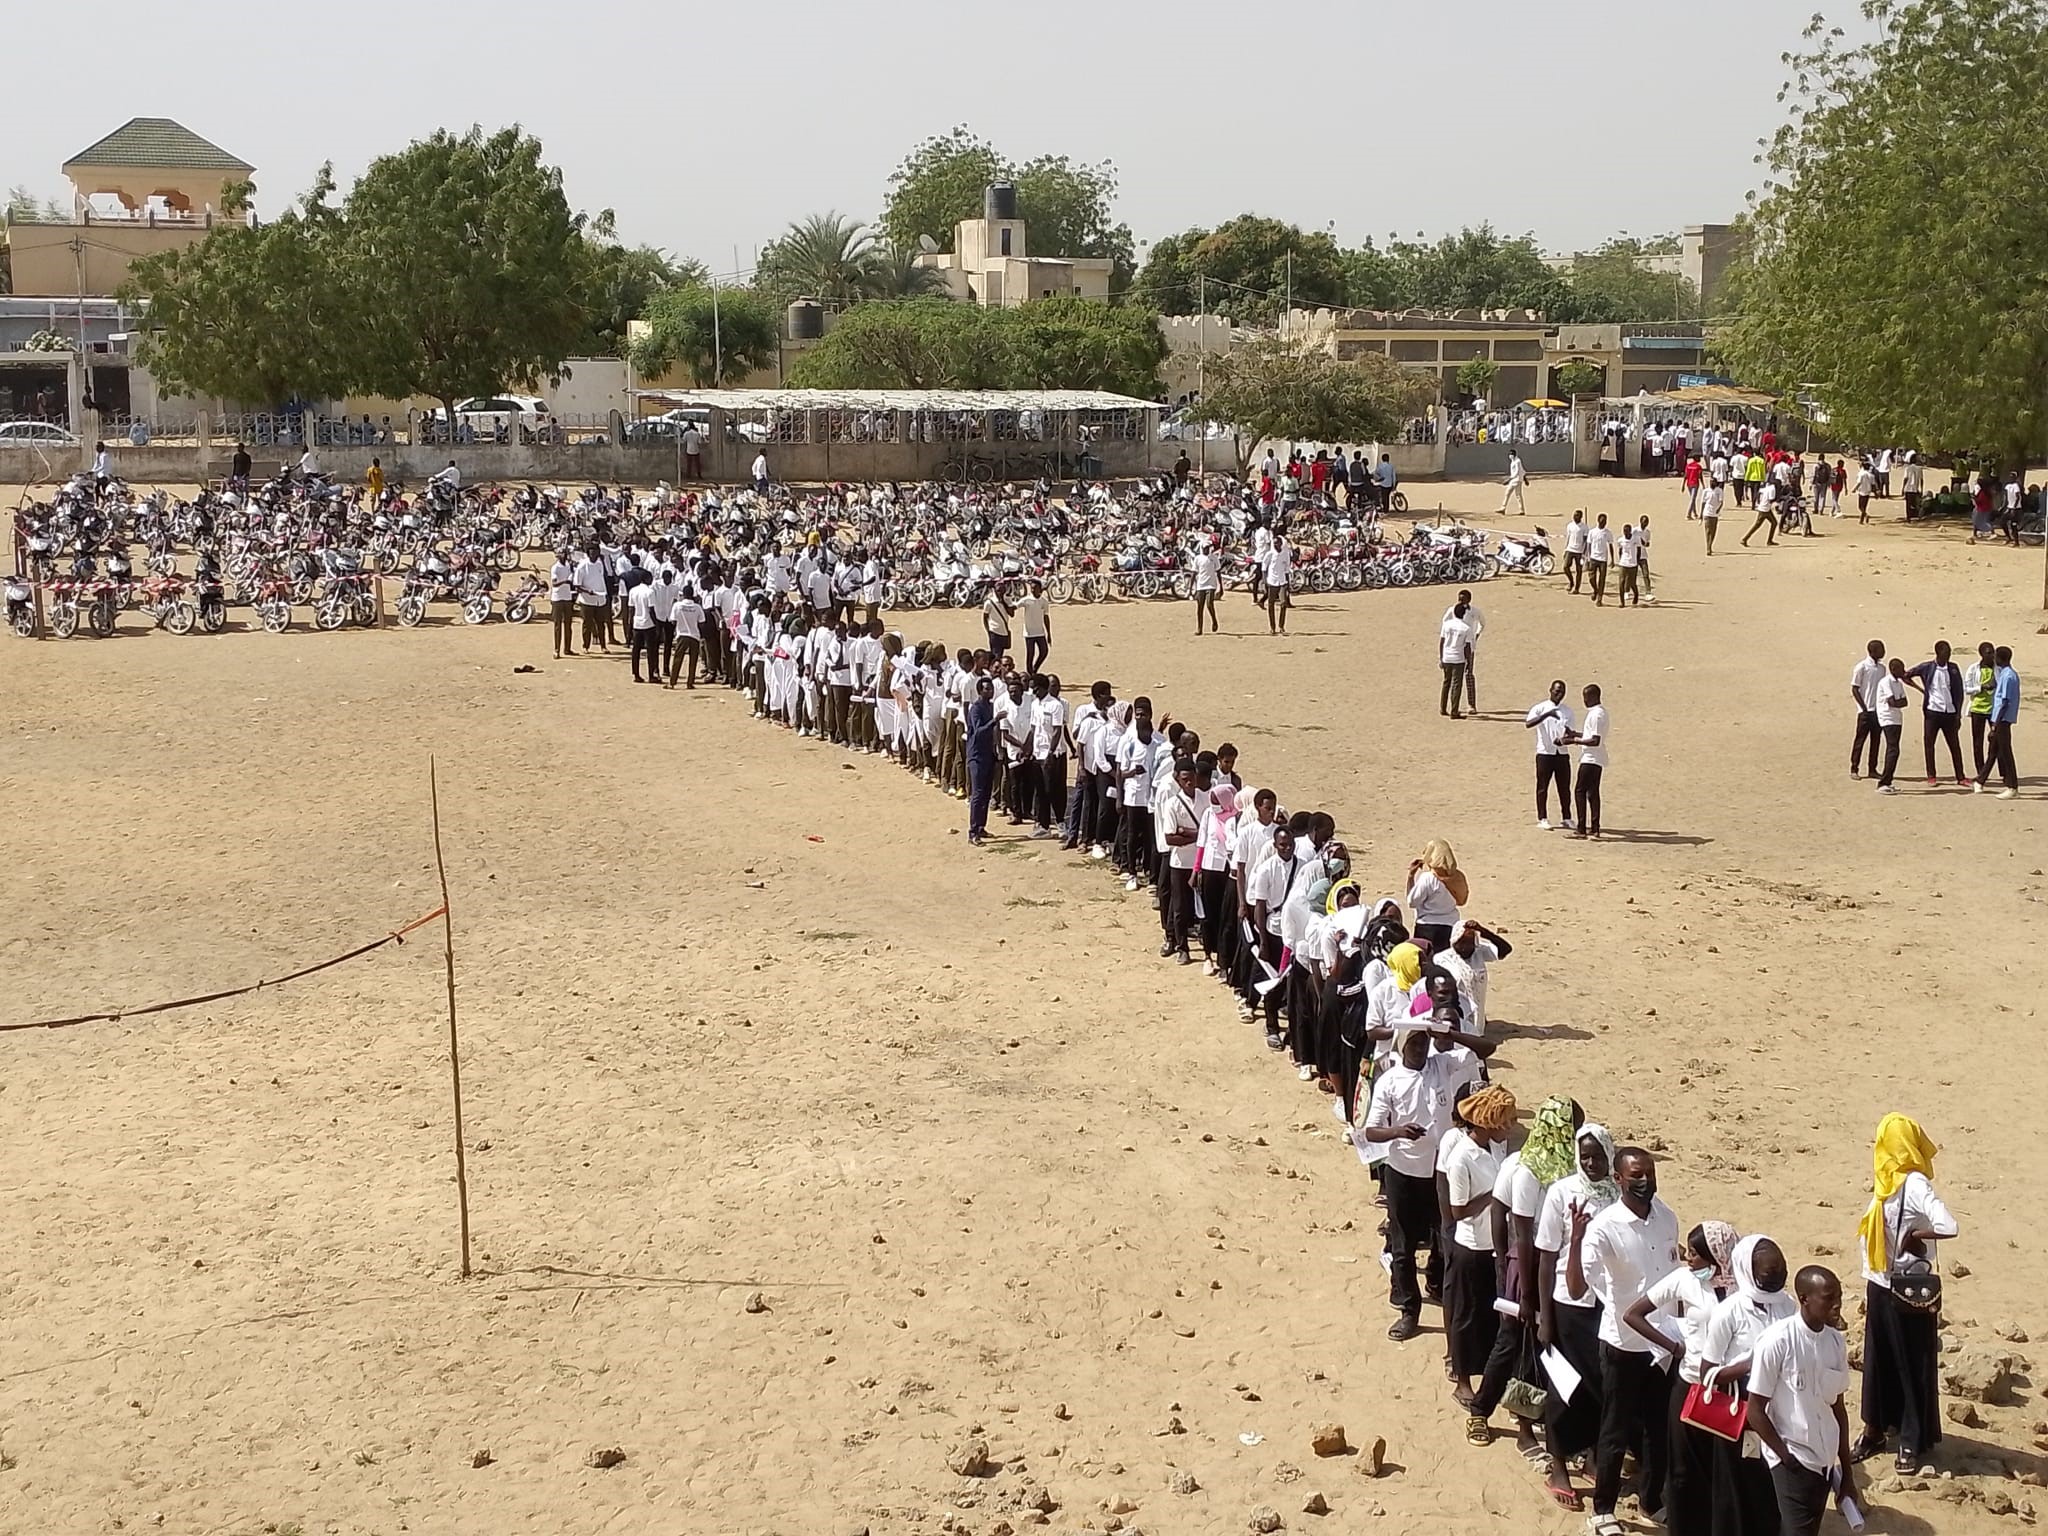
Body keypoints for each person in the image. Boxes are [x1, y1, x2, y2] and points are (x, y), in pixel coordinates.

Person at [1569, 1146, 1683, 1530]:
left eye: (1649, 1174)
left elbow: (1673, 1274)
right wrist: (1620, 1305)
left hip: (1663, 1347)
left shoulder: (1667, 1218)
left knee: (1658, 1429)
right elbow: (1591, 1279)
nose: (1645, 1181)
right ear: (1618, 1179)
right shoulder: (1605, 1227)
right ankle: (1602, 1509)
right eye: (1636, 1176)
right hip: (1623, 1343)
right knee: (1615, 1430)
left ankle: (1652, 1500)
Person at [1362, 1023, 1492, 1341]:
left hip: (1439, 1173)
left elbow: (1486, 1049)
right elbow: (1371, 1130)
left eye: (1424, 1043)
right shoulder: (1390, 1081)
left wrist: (1447, 1034)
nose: (1421, 1049)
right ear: (1402, 1047)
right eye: (1415, 1044)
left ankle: (1437, 1285)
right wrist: (1398, 1131)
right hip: (1403, 1172)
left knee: (1443, 1239)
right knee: (1403, 1246)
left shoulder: (1441, 1065)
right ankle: (1409, 1310)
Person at [1851, 1114, 1956, 1471]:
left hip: (1908, 1291)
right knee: (1878, 1363)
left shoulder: (1914, 1184)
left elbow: (1948, 1224)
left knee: (1910, 1364)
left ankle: (1910, 1441)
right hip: (1880, 1285)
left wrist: (1916, 1237)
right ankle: (1875, 1430)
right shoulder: (1886, 1181)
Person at [1625, 1221, 1740, 1536]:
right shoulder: (1683, 1280)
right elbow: (1633, 1314)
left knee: (1724, 1467)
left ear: (1716, 1256)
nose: (1688, 1259)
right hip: (1691, 1385)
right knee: (1684, 1470)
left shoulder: (1743, 1285)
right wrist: (1673, 1347)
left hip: (1730, 1390)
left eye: (1695, 1254)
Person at [1536, 1123, 1620, 1511]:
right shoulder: (1561, 1193)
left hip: (1608, 1304)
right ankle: (1558, 1465)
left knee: (1603, 1385)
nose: (1591, 1163)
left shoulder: (1619, 1194)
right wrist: (1544, 1316)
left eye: (1598, 1155)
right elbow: (1546, 1255)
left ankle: (1592, 1457)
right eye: (1584, 1156)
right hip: (1569, 1306)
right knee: (1565, 1389)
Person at [1700, 1235, 1799, 1536]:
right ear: (1747, 1269)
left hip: (1778, 1406)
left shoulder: (1788, 1305)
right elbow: (1708, 1373)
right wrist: (1752, 1365)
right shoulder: (1729, 1311)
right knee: (1736, 1479)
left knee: (1766, 1478)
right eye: (1766, 1271)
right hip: (1739, 1409)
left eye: (1777, 1269)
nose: (1773, 1276)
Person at [1748, 1267, 1857, 1536]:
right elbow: (1755, 1411)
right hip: (1794, 1463)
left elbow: (1838, 1409)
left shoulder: (1835, 1343)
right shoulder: (1777, 1342)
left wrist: (1847, 1473)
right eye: (1829, 1298)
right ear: (1804, 1298)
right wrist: (1786, 1458)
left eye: (1839, 1297)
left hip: (1825, 1464)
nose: (1837, 1305)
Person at [1442, 1085, 1517, 1406]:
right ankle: (1462, 1380)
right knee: (1466, 1314)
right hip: (1470, 1247)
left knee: (1490, 1313)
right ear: (1487, 1123)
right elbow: (1458, 1210)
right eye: (1504, 1122)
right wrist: (1497, 1195)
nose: (1509, 1127)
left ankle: (1489, 1372)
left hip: (1495, 1245)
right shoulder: (1461, 1158)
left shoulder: (1497, 1150)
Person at [1905, 641, 1968, 787]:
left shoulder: (1953, 668)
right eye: (1946, 652)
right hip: (1932, 712)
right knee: (1929, 744)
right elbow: (1906, 675)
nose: (1949, 655)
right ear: (1938, 653)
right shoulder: (1927, 667)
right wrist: (1921, 690)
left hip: (1950, 712)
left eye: (1950, 652)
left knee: (1954, 745)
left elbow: (1959, 692)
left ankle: (1961, 777)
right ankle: (1931, 775)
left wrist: (1958, 714)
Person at [1526, 679, 1575, 830]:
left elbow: (1570, 731)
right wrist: (1546, 715)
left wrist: (1564, 740)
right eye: (1557, 691)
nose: (1559, 694)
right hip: (1545, 753)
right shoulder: (1540, 708)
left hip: (1561, 753)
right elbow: (1528, 724)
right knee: (1542, 786)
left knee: (1564, 787)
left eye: (1562, 692)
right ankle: (1542, 818)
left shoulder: (1567, 711)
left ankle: (1566, 817)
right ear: (1550, 690)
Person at [1562, 685, 1609, 839]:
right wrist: (1576, 734)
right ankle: (1595, 828)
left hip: (1590, 758)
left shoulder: (1595, 715)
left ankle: (1581, 828)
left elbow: (1595, 740)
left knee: (1580, 791)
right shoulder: (1601, 713)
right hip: (1597, 758)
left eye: (1586, 697)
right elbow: (1591, 735)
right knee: (1593, 793)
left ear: (1594, 696)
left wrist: (1573, 740)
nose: (1584, 700)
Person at [1407, 839, 1467, 948]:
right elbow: (1462, 901)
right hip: (1451, 926)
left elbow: (1412, 902)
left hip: (1427, 927)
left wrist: (1411, 877)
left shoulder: (1428, 878)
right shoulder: (1458, 877)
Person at [1979, 645, 2020, 798]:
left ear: (2000, 658)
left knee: (2005, 752)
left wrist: (1995, 724)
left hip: (2002, 719)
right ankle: (1980, 780)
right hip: (2000, 718)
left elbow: (2004, 701)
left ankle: (2012, 786)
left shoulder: (2009, 676)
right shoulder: (2004, 674)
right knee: (1994, 750)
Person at [965, 676, 998, 845]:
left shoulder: (991, 706)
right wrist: (994, 721)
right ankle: (972, 832)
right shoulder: (976, 709)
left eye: (991, 688)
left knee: (985, 794)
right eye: (986, 689)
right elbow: (978, 732)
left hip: (988, 755)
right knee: (977, 794)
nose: (990, 691)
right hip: (976, 756)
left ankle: (981, 827)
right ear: (980, 691)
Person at [1848, 640, 1887, 780]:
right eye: (1880, 649)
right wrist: (1863, 707)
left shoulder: (1882, 669)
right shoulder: (1862, 667)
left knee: (1876, 740)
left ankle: (1872, 768)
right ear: (1872, 651)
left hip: (1878, 710)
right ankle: (1854, 768)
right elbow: (1855, 688)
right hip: (1865, 711)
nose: (1883, 652)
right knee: (1860, 740)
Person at [1872, 657, 1908, 793]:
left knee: (1894, 750)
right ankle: (1883, 783)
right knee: (1893, 750)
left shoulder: (1898, 683)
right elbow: (1893, 702)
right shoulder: (1885, 682)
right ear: (1893, 669)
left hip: (1897, 718)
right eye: (1901, 669)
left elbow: (1905, 702)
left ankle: (1888, 781)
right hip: (1887, 718)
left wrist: (1897, 702)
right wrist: (1897, 702)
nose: (1903, 672)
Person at [1965, 640, 1999, 781]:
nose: (1991, 656)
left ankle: (2003, 771)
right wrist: (1981, 688)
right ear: (1981, 654)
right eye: (1988, 653)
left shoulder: (1999, 669)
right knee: (1977, 742)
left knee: (1997, 740)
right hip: (1978, 709)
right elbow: (1967, 688)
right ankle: (1981, 772)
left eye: (1993, 652)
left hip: (1994, 709)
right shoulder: (1974, 669)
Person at [1439, 600, 1475, 719]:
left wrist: (1441, 656)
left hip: (1446, 656)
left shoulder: (1446, 625)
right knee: (1456, 685)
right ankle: (1454, 711)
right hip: (1458, 658)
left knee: (1446, 682)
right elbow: (1467, 647)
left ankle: (1443, 708)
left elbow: (1442, 641)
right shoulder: (1466, 628)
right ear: (1464, 614)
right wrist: (1468, 661)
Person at [1015, 579, 1052, 674]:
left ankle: (1034, 670)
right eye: (1031, 588)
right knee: (1030, 654)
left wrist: (1049, 633)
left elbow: (1046, 617)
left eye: (1034, 588)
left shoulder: (1044, 601)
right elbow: (1015, 606)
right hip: (1029, 633)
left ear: (1040, 589)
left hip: (1040, 632)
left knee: (1044, 652)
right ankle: (1030, 673)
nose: (1032, 590)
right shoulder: (1026, 600)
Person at [1262, 530, 1292, 635]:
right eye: (1274, 544)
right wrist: (1265, 581)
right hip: (1271, 581)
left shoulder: (1285, 554)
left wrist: (1288, 582)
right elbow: (1264, 568)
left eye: (1277, 543)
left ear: (1281, 544)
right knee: (1271, 605)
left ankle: (1281, 626)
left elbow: (1287, 568)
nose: (1276, 545)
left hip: (1282, 581)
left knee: (1283, 603)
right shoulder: (1269, 554)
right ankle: (1272, 627)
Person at [548, 548, 577, 658]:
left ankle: (567, 648)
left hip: (567, 596)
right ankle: (557, 650)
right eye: (562, 554)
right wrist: (565, 581)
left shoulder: (568, 566)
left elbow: (571, 576)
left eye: (565, 554)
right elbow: (555, 584)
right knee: (558, 625)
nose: (564, 556)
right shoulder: (555, 568)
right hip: (557, 598)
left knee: (568, 624)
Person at [1192, 539, 1222, 634]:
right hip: (1201, 585)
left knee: (1209, 604)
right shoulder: (1198, 559)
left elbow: (1218, 572)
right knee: (1200, 607)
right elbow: (1194, 573)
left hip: (1211, 584)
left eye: (1208, 548)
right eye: (1205, 548)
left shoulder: (1214, 558)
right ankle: (1199, 628)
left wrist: (1221, 586)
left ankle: (1214, 620)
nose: (1206, 550)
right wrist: (1190, 588)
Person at [1585, 514, 1613, 605]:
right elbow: (1588, 545)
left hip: (1603, 559)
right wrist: (1587, 558)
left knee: (1602, 579)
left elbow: (1610, 545)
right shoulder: (1592, 532)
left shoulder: (1608, 533)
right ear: (1598, 521)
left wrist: (1612, 559)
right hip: (1593, 558)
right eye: (1602, 521)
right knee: (1591, 578)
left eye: (1605, 521)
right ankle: (1595, 590)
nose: (1603, 523)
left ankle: (1600, 598)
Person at [982, 586, 1012, 661]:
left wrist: (1004, 602)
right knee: (996, 655)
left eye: (1002, 590)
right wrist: (988, 631)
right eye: (998, 590)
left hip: (1004, 632)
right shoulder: (989, 602)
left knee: (1000, 654)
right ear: (994, 590)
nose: (1000, 593)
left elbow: (1012, 614)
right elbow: (985, 617)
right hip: (994, 631)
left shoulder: (1007, 600)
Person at [1563, 511, 1588, 593]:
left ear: (1580, 517)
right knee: (1566, 567)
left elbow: (1585, 541)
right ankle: (1571, 582)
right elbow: (1568, 537)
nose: (1574, 517)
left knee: (1579, 571)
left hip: (1579, 551)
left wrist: (1584, 554)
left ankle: (1577, 588)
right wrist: (1565, 549)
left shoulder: (1584, 527)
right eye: (1574, 515)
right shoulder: (1570, 525)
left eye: (1577, 516)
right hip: (1570, 549)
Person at [1501, 449, 1528, 515]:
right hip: (1518, 480)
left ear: (1515, 455)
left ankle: (1503, 508)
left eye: (1512, 454)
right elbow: (1522, 471)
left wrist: (1508, 479)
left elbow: (1517, 472)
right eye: (1510, 454)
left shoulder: (1517, 461)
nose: (1510, 455)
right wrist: (1525, 479)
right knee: (1518, 495)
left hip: (1515, 480)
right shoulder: (1514, 461)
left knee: (1508, 493)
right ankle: (1522, 510)